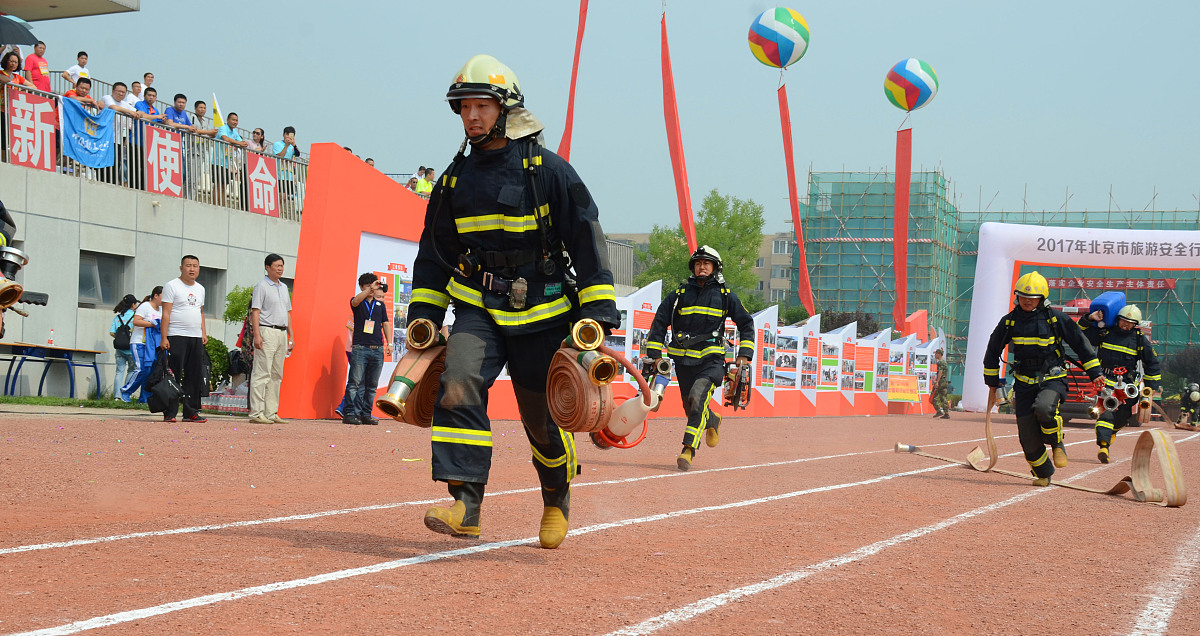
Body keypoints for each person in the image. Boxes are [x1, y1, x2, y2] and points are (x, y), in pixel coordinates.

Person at [408, 54, 618, 549]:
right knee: (457, 385)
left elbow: (588, 242)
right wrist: (425, 316)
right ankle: (466, 504)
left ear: (507, 109)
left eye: (482, 105)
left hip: (544, 312)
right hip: (478, 307)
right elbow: (434, 255)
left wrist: (596, 314)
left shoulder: (549, 172)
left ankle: (555, 496)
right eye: (465, 107)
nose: (473, 116)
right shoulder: (453, 181)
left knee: (541, 419)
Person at [982, 271, 1104, 486]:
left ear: (1042, 298)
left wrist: (1095, 373)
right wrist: (992, 382)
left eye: (1033, 297)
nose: (1027, 301)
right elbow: (993, 350)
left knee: (1045, 408)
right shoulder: (1009, 322)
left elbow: (1080, 343)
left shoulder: (1056, 318)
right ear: (1017, 297)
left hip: (1052, 377)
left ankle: (1057, 444)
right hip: (1023, 382)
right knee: (1027, 437)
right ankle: (1043, 473)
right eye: (1023, 297)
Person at [644, 245, 754, 471]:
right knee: (692, 405)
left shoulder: (726, 296)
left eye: (706, 263)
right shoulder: (678, 295)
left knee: (697, 397)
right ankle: (712, 419)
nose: (701, 267)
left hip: (712, 361)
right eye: (698, 263)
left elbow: (746, 323)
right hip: (683, 362)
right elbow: (658, 324)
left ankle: (688, 450)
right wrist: (654, 356)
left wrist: (744, 354)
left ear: (715, 267)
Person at [1079, 304, 1162, 463]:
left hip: (1126, 384)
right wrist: (1089, 318)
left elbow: (1152, 363)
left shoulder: (1139, 340)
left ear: (1135, 324)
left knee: (1123, 414)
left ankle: (1112, 432)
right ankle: (1104, 446)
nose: (1126, 324)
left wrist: (1150, 388)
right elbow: (1081, 333)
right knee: (1106, 410)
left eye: (1130, 322)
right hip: (1105, 381)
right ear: (1118, 319)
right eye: (1123, 320)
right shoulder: (1105, 333)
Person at [160, 255, 209, 424]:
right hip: (176, 335)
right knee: (174, 375)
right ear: (181, 268)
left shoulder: (200, 289)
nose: (192, 269)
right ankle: (170, 412)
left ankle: (190, 412)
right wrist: (164, 337)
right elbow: (165, 313)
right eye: (188, 265)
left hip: (195, 337)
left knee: (194, 375)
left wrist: (203, 332)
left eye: (195, 266)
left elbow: (200, 312)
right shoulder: (172, 286)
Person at [248, 253, 294, 424]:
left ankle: (271, 411)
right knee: (262, 373)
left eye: (282, 265)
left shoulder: (283, 287)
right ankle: (256, 412)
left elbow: (288, 313)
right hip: (266, 331)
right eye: (277, 266)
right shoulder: (261, 286)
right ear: (267, 268)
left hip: (282, 333)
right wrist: (257, 335)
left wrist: (291, 335)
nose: (280, 269)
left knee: (276, 374)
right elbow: (256, 311)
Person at [341, 273, 392, 425]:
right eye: (369, 286)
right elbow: (356, 301)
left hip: (377, 349)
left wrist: (389, 343)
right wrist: (369, 289)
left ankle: (366, 414)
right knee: (355, 383)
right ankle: (349, 413)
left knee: (371, 386)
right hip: (360, 347)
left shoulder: (379, 305)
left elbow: (386, 324)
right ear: (363, 287)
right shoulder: (357, 302)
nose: (372, 289)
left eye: (373, 286)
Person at [122, 286, 163, 403]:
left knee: (151, 370)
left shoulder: (161, 309)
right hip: (139, 342)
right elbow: (136, 321)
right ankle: (126, 391)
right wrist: (151, 324)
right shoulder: (145, 306)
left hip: (153, 345)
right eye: (162, 296)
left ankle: (144, 398)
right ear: (156, 295)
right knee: (142, 369)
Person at [214, 112, 248, 208]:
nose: (235, 122)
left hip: (227, 163)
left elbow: (241, 142)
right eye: (233, 120)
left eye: (236, 120)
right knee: (217, 185)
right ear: (228, 120)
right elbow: (225, 138)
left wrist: (242, 143)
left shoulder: (235, 132)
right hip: (218, 161)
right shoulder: (223, 128)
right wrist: (239, 143)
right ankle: (214, 204)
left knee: (224, 185)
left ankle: (222, 205)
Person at [109, 294, 139, 400]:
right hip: (131, 349)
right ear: (133, 304)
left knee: (119, 372)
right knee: (132, 370)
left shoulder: (118, 317)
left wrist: (120, 336)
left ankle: (116, 397)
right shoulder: (135, 317)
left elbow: (111, 333)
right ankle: (125, 394)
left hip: (119, 349)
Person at [930, 348, 951, 419]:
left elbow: (940, 372)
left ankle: (939, 411)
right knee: (944, 398)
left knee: (933, 397)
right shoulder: (944, 361)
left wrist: (937, 382)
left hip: (941, 382)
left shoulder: (940, 362)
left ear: (939, 354)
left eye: (936, 353)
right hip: (945, 381)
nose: (935, 355)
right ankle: (946, 413)